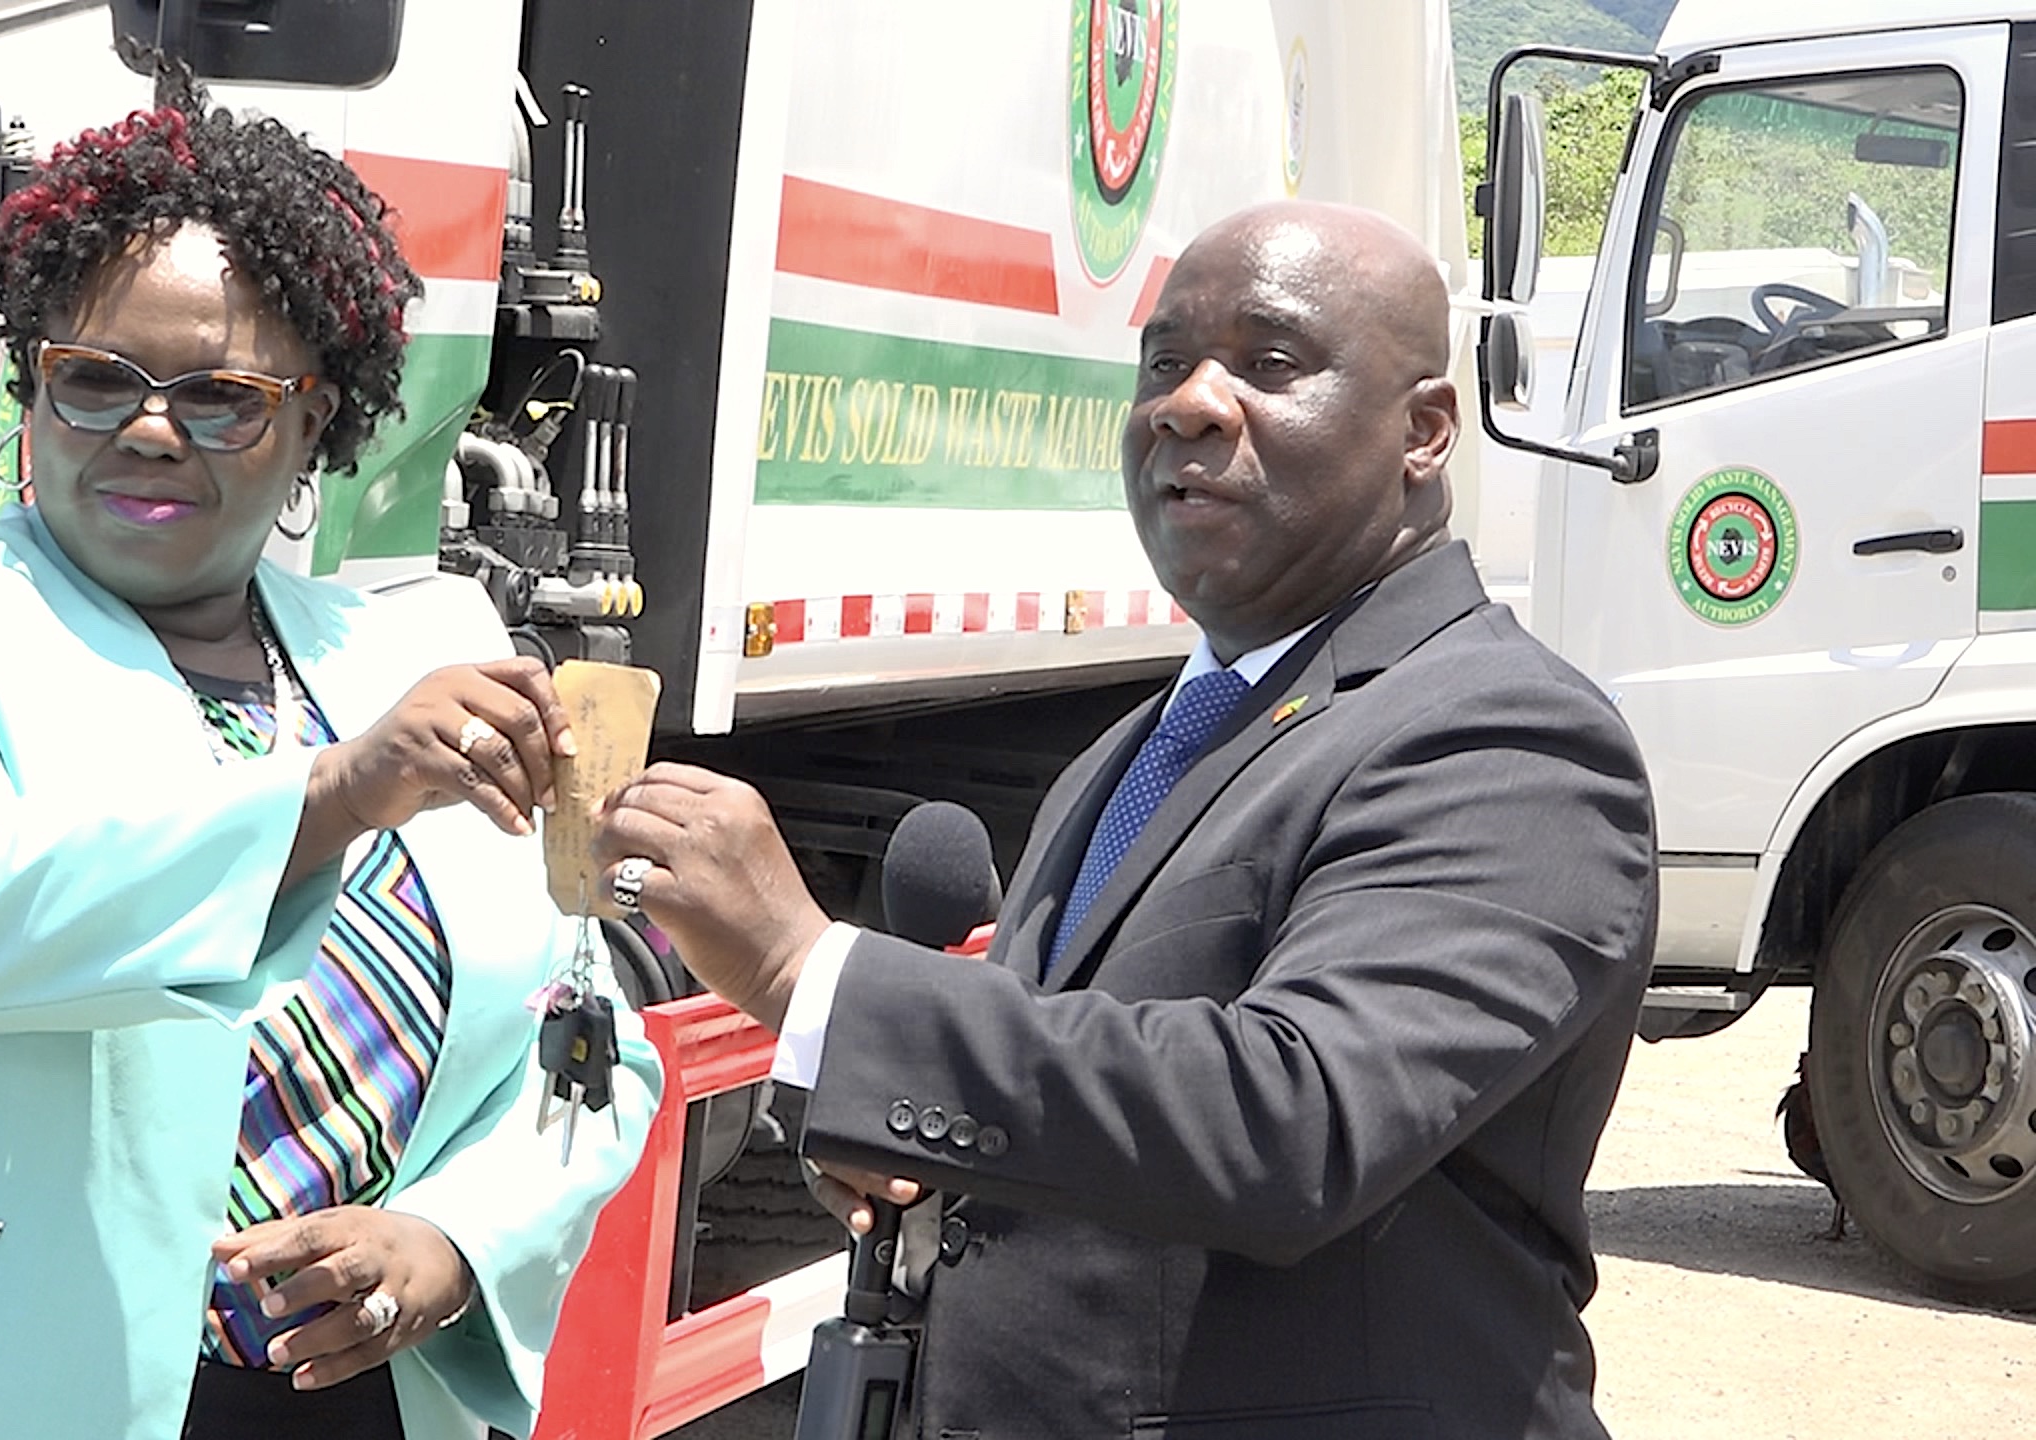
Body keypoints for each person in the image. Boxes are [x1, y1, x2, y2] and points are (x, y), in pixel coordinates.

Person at [0, 70, 658, 1440]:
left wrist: (450, 1244)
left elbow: (586, 1041)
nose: (151, 428)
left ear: (320, 416)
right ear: (32, 384)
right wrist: (334, 795)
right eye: (96, 381)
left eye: (222, 396)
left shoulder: (419, 656)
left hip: (344, 1403)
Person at [592, 202, 1656, 1439]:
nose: (1187, 405)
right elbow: (1092, 1106)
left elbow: (1289, 1122)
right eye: (1162, 364)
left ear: (1422, 431)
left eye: (1269, 364)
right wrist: (931, 1149)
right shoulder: (1136, 747)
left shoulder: (1507, 741)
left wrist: (805, 968)